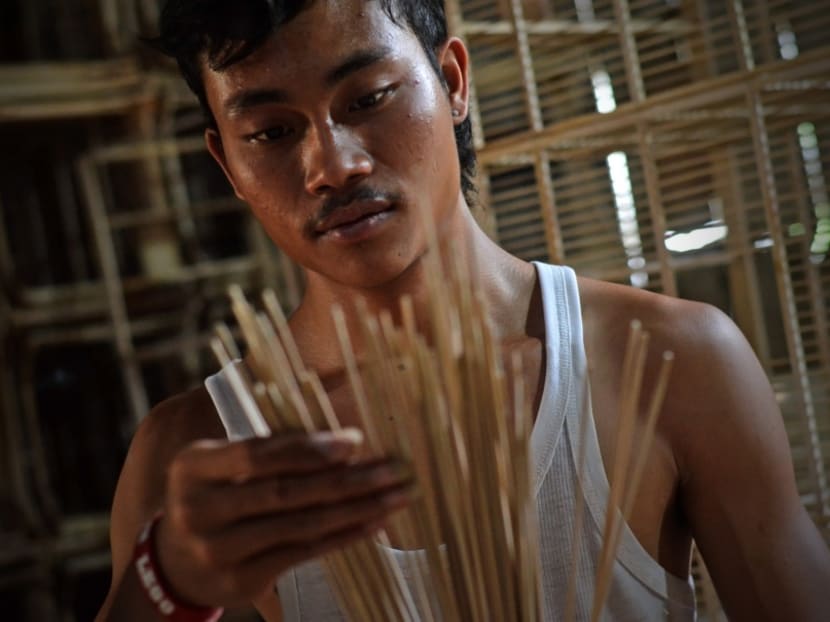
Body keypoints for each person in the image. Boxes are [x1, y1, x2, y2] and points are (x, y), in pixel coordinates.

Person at [96, 1, 830, 620]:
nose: (334, 166)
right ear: (227, 163)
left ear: (452, 82)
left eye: (368, 98)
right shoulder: (199, 457)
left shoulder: (670, 362)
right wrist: (167, 582)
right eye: (270, 133)